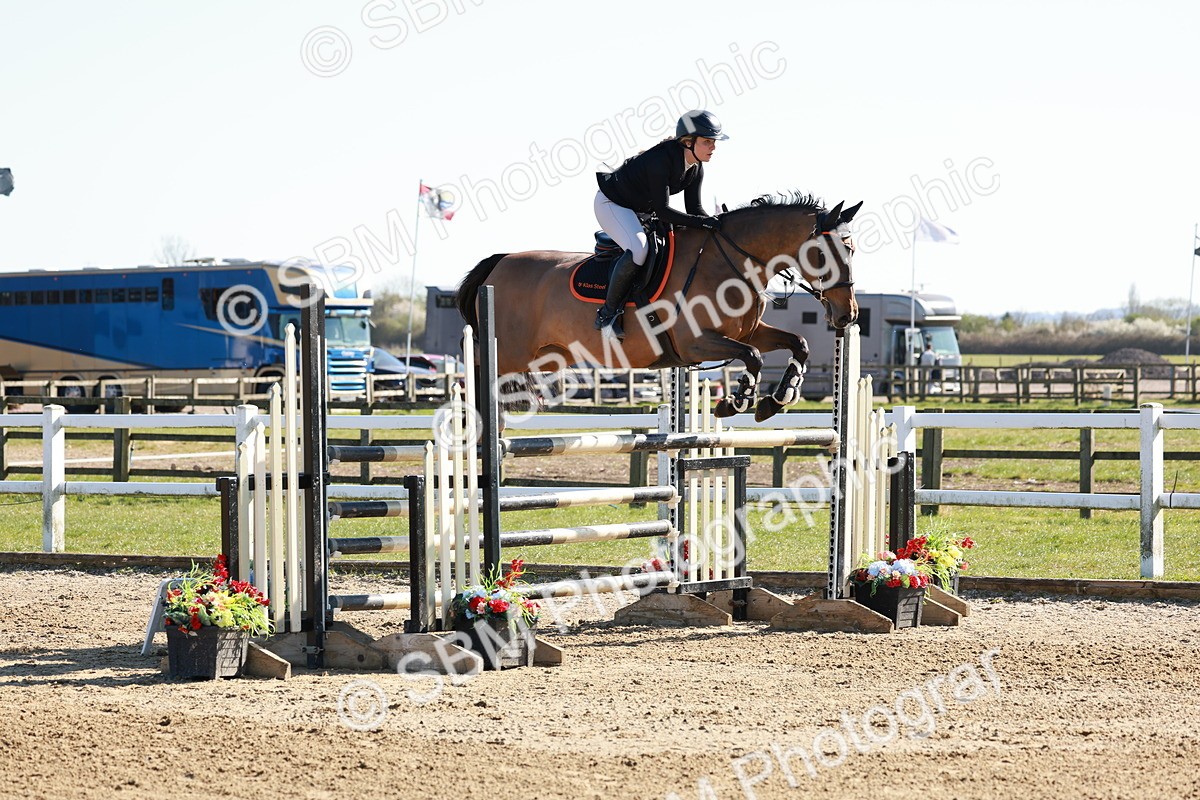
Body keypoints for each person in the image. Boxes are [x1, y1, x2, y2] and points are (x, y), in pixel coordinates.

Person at [592, 109, 727, 339]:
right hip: (612, 204)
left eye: (713, 142)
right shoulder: (660, 160)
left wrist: (719, 226)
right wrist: (704, 224)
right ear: (688, 142)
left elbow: (694, 210)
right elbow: (664, 212)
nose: (713, 147)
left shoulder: (696, 167)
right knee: (639, 249)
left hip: (640, 209)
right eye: (707, 142)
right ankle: (606, 315)